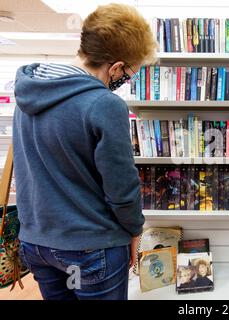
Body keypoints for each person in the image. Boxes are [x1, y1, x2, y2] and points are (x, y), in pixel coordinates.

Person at [14, 3, 158, 300]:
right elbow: (121, 186)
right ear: (116, 67)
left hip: (37, 243)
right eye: (129, 72)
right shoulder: (104, 104)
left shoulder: (28, 93)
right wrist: (135, 231)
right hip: (91, 246)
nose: (125, 79)